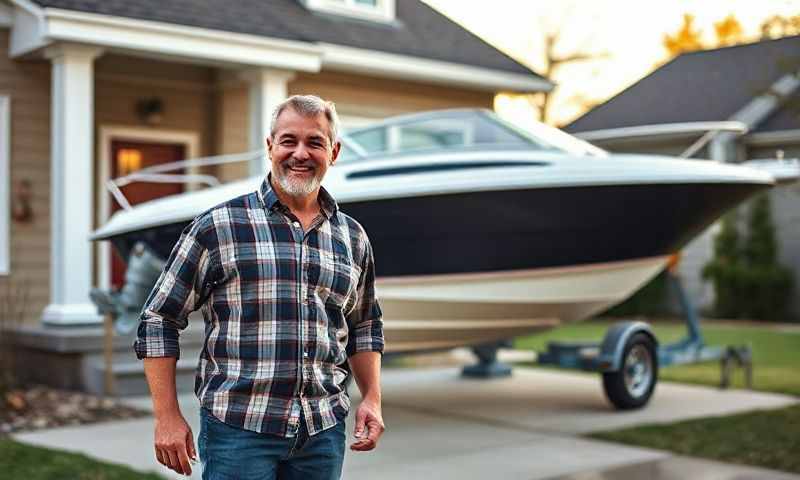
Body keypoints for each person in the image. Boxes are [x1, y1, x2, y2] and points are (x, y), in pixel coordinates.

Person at [134, 94, 385, 479]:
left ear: (333, 152)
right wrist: (166, 416)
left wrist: (372, 398)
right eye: (289, 141)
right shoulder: (218, 226)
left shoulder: (352, 236)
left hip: (322, 433)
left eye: (315, 142)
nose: (300, 153)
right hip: (238, 432)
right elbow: (159, 318)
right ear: (270, 147)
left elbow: (365, 324)